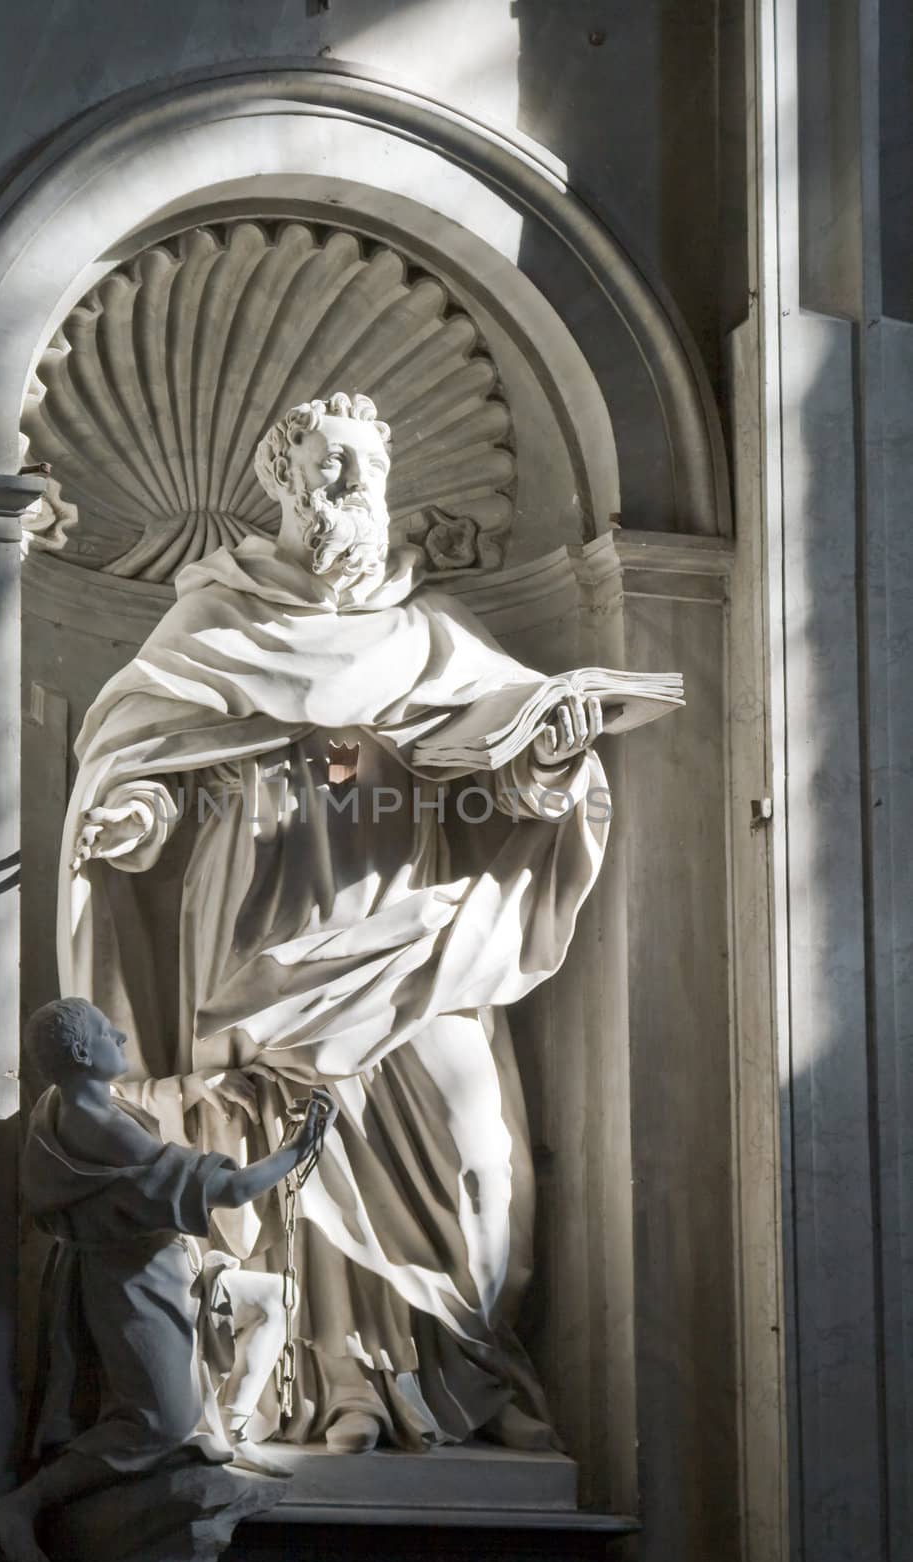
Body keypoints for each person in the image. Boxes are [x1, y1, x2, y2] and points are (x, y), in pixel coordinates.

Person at [57, 391, 679, 1454]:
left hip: (407, 935)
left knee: (478, 1159)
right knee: (278, 1150)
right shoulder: (216, 623)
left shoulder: (430, 631)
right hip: (263, 931)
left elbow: (514, 790)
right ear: (284, 481)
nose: (354, 490)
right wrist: (133, 813)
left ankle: (463, 1366)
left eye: (366, 471)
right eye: (332, 468)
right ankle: (321, 1380)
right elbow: (142, 757)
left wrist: (548, 752)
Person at [0, 997, 333, 1562]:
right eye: (107, 1032)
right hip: (136, 1283)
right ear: (80, 1051)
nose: (121, 1037)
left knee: (275, 1298)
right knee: (160, 1422)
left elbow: (141, 1114)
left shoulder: (73, 1101)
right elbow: (229, 1191)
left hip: (176, 1265)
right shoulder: (96, 1125)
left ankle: (237, 1431)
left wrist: (201, 1086)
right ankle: (25, 1504)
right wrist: (296, 1150)